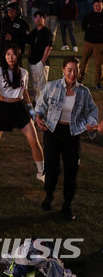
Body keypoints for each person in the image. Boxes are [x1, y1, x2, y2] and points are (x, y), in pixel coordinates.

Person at [35, 57, 98, 220]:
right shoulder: (52, 86)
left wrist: (92, 123)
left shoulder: (83, 92)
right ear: (63, 69)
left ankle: (67, 206)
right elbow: (41, 105)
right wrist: (38, 117)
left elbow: (92, 111)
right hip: (52, 131)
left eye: (76, 70)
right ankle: (48, 196)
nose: (72, 73)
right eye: (69, 69)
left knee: (71, 170)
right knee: (52, 168)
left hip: (72, 134)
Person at [0, 45, 45, 182]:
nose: (10, 57)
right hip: (2, 107)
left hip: (19, 107)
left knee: (34, 141)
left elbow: (25, 94)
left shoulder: (24, 73)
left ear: (18, 56)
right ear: (4, 56)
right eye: (8, 54)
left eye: (13, 54)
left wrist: (32, 112)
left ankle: (42, 172)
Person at [27, 12, 53, 101]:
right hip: (32, 61)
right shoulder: (33, 32)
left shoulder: (47, 32)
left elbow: (48, 47)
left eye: (40, 17)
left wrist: (43, 61)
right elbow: (30, 44)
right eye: (36, 17)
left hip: (41, 62)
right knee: (34, 84)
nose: (38, 19)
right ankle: (36, 100)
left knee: (42, 85)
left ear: (44, 19)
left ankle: (42, 103)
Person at [78, 0, 103, 89]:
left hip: (99, 43)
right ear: (93, 6)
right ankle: (79, 80)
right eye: (96, 5)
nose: (98, 7)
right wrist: (98, 28)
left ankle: (98, 83)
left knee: (98, 64)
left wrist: (92, 28)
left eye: (100, 5)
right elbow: (84, 26)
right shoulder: (88, 15)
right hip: (88, 42)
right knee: (84, 62)